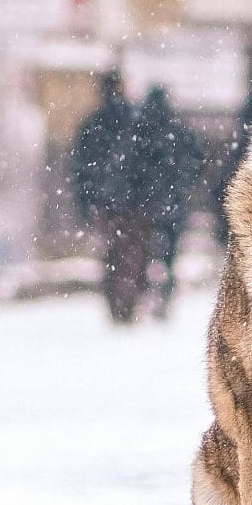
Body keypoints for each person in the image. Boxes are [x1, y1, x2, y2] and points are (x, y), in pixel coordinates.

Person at [69, 73, 151, 324]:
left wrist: (86, 203)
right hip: (134, 201)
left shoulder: (92, 124)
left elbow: (80, 169)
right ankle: (129, 298)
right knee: (133, 252)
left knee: (112, 253)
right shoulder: (135, 121)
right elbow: (148, 163)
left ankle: (116, 300)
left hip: (105, 203)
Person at [133, 84, 203, 319]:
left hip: (147, 204)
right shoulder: (178, 130)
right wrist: (183, 182)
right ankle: (164, 294)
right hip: (174, 203)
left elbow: (132, 167)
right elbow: (196, 161)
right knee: (169, 254)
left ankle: (148, 293)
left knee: (144, 253)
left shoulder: (141, 131)